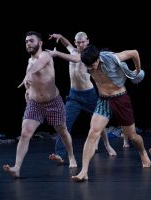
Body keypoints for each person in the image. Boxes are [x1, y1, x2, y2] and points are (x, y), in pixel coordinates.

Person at [71, 45, 151, 181]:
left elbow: (134, 52)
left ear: (98, 59)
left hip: (120, 98)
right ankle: (84, 171)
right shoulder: (87, 62)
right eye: (87, 66)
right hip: (103, 100)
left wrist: (137, 70)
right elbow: (70, 57)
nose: (90, 68)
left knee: (132, 136)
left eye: (92, 65)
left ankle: (143, 152)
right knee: (92, 133)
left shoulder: (112, 58)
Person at [3, 31, 77, 178]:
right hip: (35, 104)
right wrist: (27, 91)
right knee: (25, 133)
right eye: (26, 41)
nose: (28, 43)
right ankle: (16, 167)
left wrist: (28, 75)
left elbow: (38, 65)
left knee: (62, 131)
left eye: (31, 41)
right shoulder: (29, 62)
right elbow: (32, 80)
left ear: (40, 43)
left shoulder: (46, 56)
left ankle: (71, 157)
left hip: (53, 102)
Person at [47, 32, 116, 165]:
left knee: (99, 121)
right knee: (64, 124)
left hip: (89, 95)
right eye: (77, 42)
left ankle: (107, 145)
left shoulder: (88, 56)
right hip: (74, 96)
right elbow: (68, 45)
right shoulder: (73, 50)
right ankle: (60, 155)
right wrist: (61, 37)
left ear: (87, 41)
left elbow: (77, 59)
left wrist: (57, 54)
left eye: (82, 42)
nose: (79, 44)